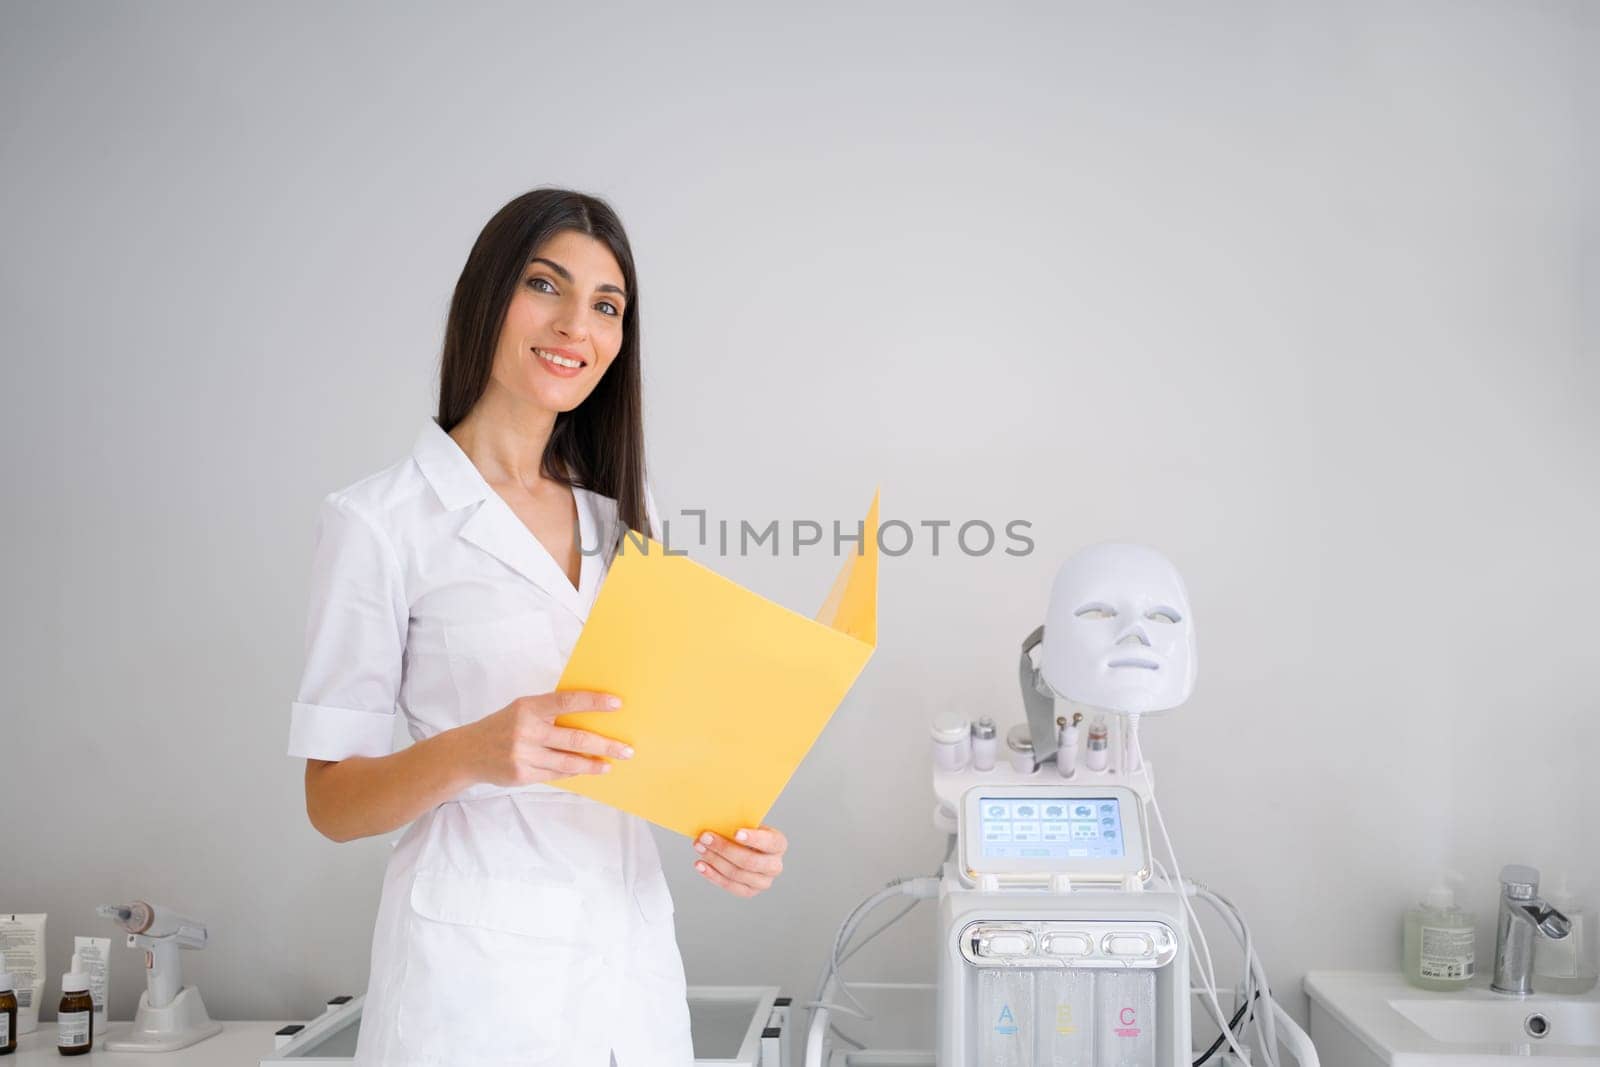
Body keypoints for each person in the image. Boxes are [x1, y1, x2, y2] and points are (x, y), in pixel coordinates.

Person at [287, 188, 789, 1066]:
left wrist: (729, 827)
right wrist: (475, 750)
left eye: (606, 306)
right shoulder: (379, 521)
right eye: (545, 286)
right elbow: (330, 801)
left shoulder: (625, 519)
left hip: (629, 978)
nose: (574, 327)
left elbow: (653, 743)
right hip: (471, 990)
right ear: (489, 296)